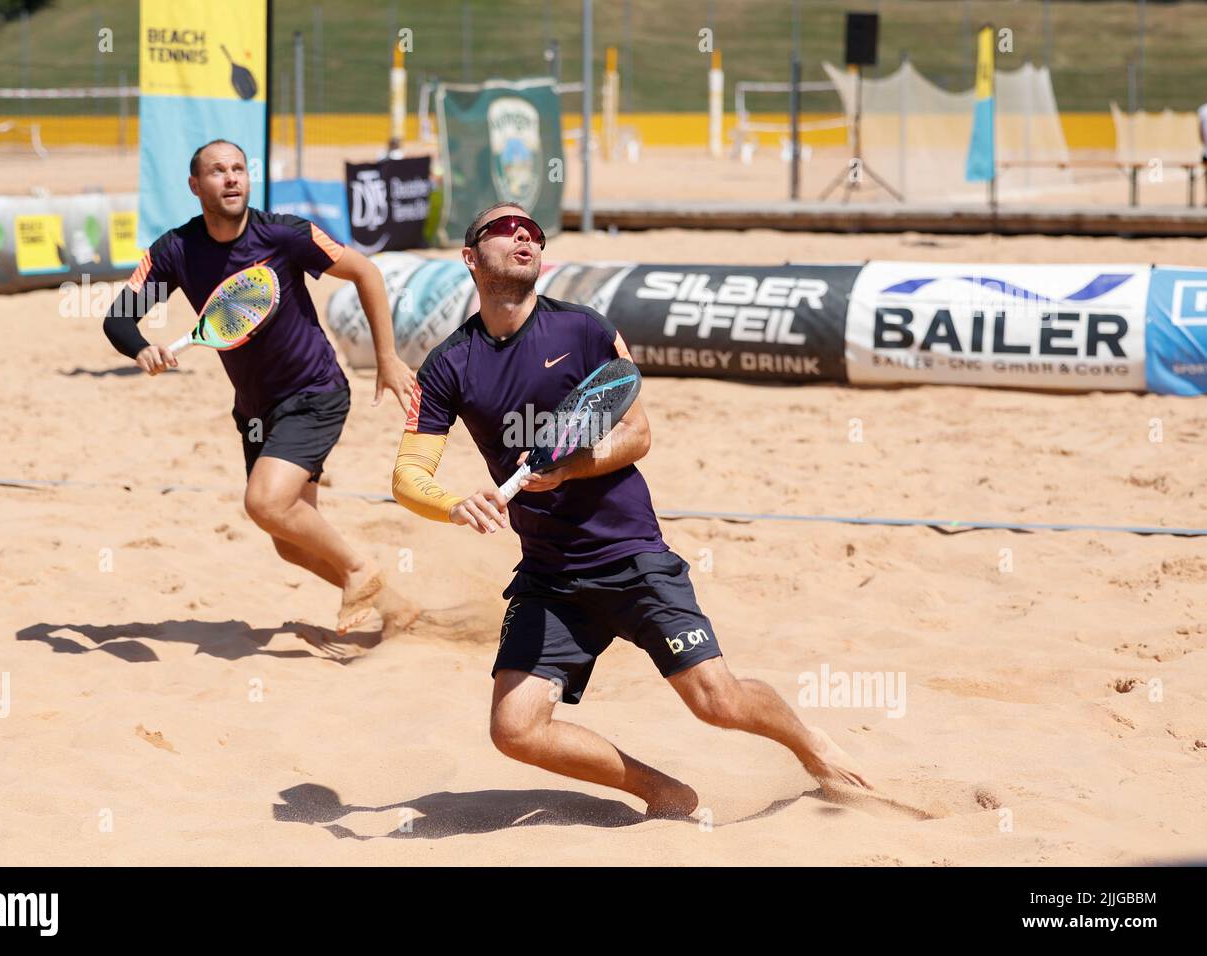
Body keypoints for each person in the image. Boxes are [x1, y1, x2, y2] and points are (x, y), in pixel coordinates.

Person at [389, 202, 873, 816]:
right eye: (504, 230)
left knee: (715, 703)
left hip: (631, 554)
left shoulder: (584, 330)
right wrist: (456, 503)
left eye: (533, 232)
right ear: (469, 257)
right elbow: (407, 476)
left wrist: (570, 467)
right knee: (515, 728)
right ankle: (664, 793)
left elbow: (637, 435)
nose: (524, 237)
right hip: (549, 575)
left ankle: (812, 745)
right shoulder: (448, 365)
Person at [103, 138, 416, 635]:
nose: (230, 178)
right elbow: (119, 319)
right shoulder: (176, 250)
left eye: (238, 169)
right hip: (253, 412)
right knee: (289, 541)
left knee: (265, 503)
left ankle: (361, 570)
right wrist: (141, 347)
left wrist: (386, 357)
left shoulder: (283, 234)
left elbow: (365, 271)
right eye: (217, 171)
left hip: (315, 392)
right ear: (194, 185)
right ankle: (397, 606)